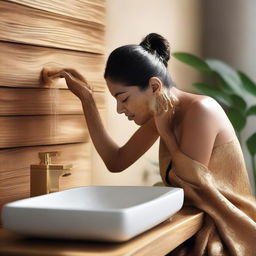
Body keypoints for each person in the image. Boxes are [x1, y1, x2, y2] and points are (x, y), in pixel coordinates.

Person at [42, 33, 256, 256]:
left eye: (123, 98)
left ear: (154, 87)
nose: (119, 109)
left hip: (229, 228)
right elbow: (116, 161)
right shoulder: (163, 112)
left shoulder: (201, 111)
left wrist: (166, 134)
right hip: (198, 219)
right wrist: (87, 100)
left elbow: (192, 189)